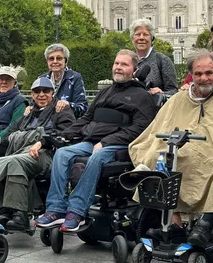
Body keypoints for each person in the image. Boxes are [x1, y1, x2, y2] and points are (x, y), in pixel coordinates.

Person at [127, 50, 213, 247]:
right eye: (198, 74)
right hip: (183, 150)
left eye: (208, 73)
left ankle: (206, 223)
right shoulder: (179, 99)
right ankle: (174, 223)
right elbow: (158, 130)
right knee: (159, 158)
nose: (204, 78)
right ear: (191, 75)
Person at [34, 50, 157, 232]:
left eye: (124, 64)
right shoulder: (105, 92)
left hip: (119, 144)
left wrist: (108, 141)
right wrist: (55, 138)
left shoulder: (142, 97)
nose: (118, 67)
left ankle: (77, 211)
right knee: (61, 153)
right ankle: (56, 208)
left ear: (135, 70)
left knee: (97, 156)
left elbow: (140, 129)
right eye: (116, 63)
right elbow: (85, 119)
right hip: (92, 140)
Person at [0, 77, 75, 230]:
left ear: (53, 92)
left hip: (47, 154)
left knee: (14, 162)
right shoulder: (28, 113)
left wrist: (41, 140)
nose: (41, 94)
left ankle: (19, 213)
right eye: (37, 91)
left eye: (46, 91)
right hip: (22, 152)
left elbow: (67, 133)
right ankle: (5, 209)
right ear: (32, 95)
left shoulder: (61, 110)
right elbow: (9, 133)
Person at [37, 43, 88, 118]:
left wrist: (68, 104)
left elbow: (83, 107)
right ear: (47, 62)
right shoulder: (42, 79)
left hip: (67, 123)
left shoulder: (75, 78)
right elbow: (34, 103)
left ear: (66, 61)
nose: (55, 62)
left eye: (59, 58)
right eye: (51, 58)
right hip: (44, 123)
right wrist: (30, 108)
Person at [130, 18, 178, 96]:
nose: (141, 38)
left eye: (145, 34)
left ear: (152, 39)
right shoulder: (128, 61)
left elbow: (173, 91)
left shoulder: (163, 60)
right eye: (137, 34)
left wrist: (161, 94)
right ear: (133, 39)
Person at [0, 66, 28, 138]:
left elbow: (14, 127)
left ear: (14, 82)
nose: (4, 82)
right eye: (1, 79)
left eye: (8, 79)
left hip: (3, 141)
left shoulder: (19, 101)